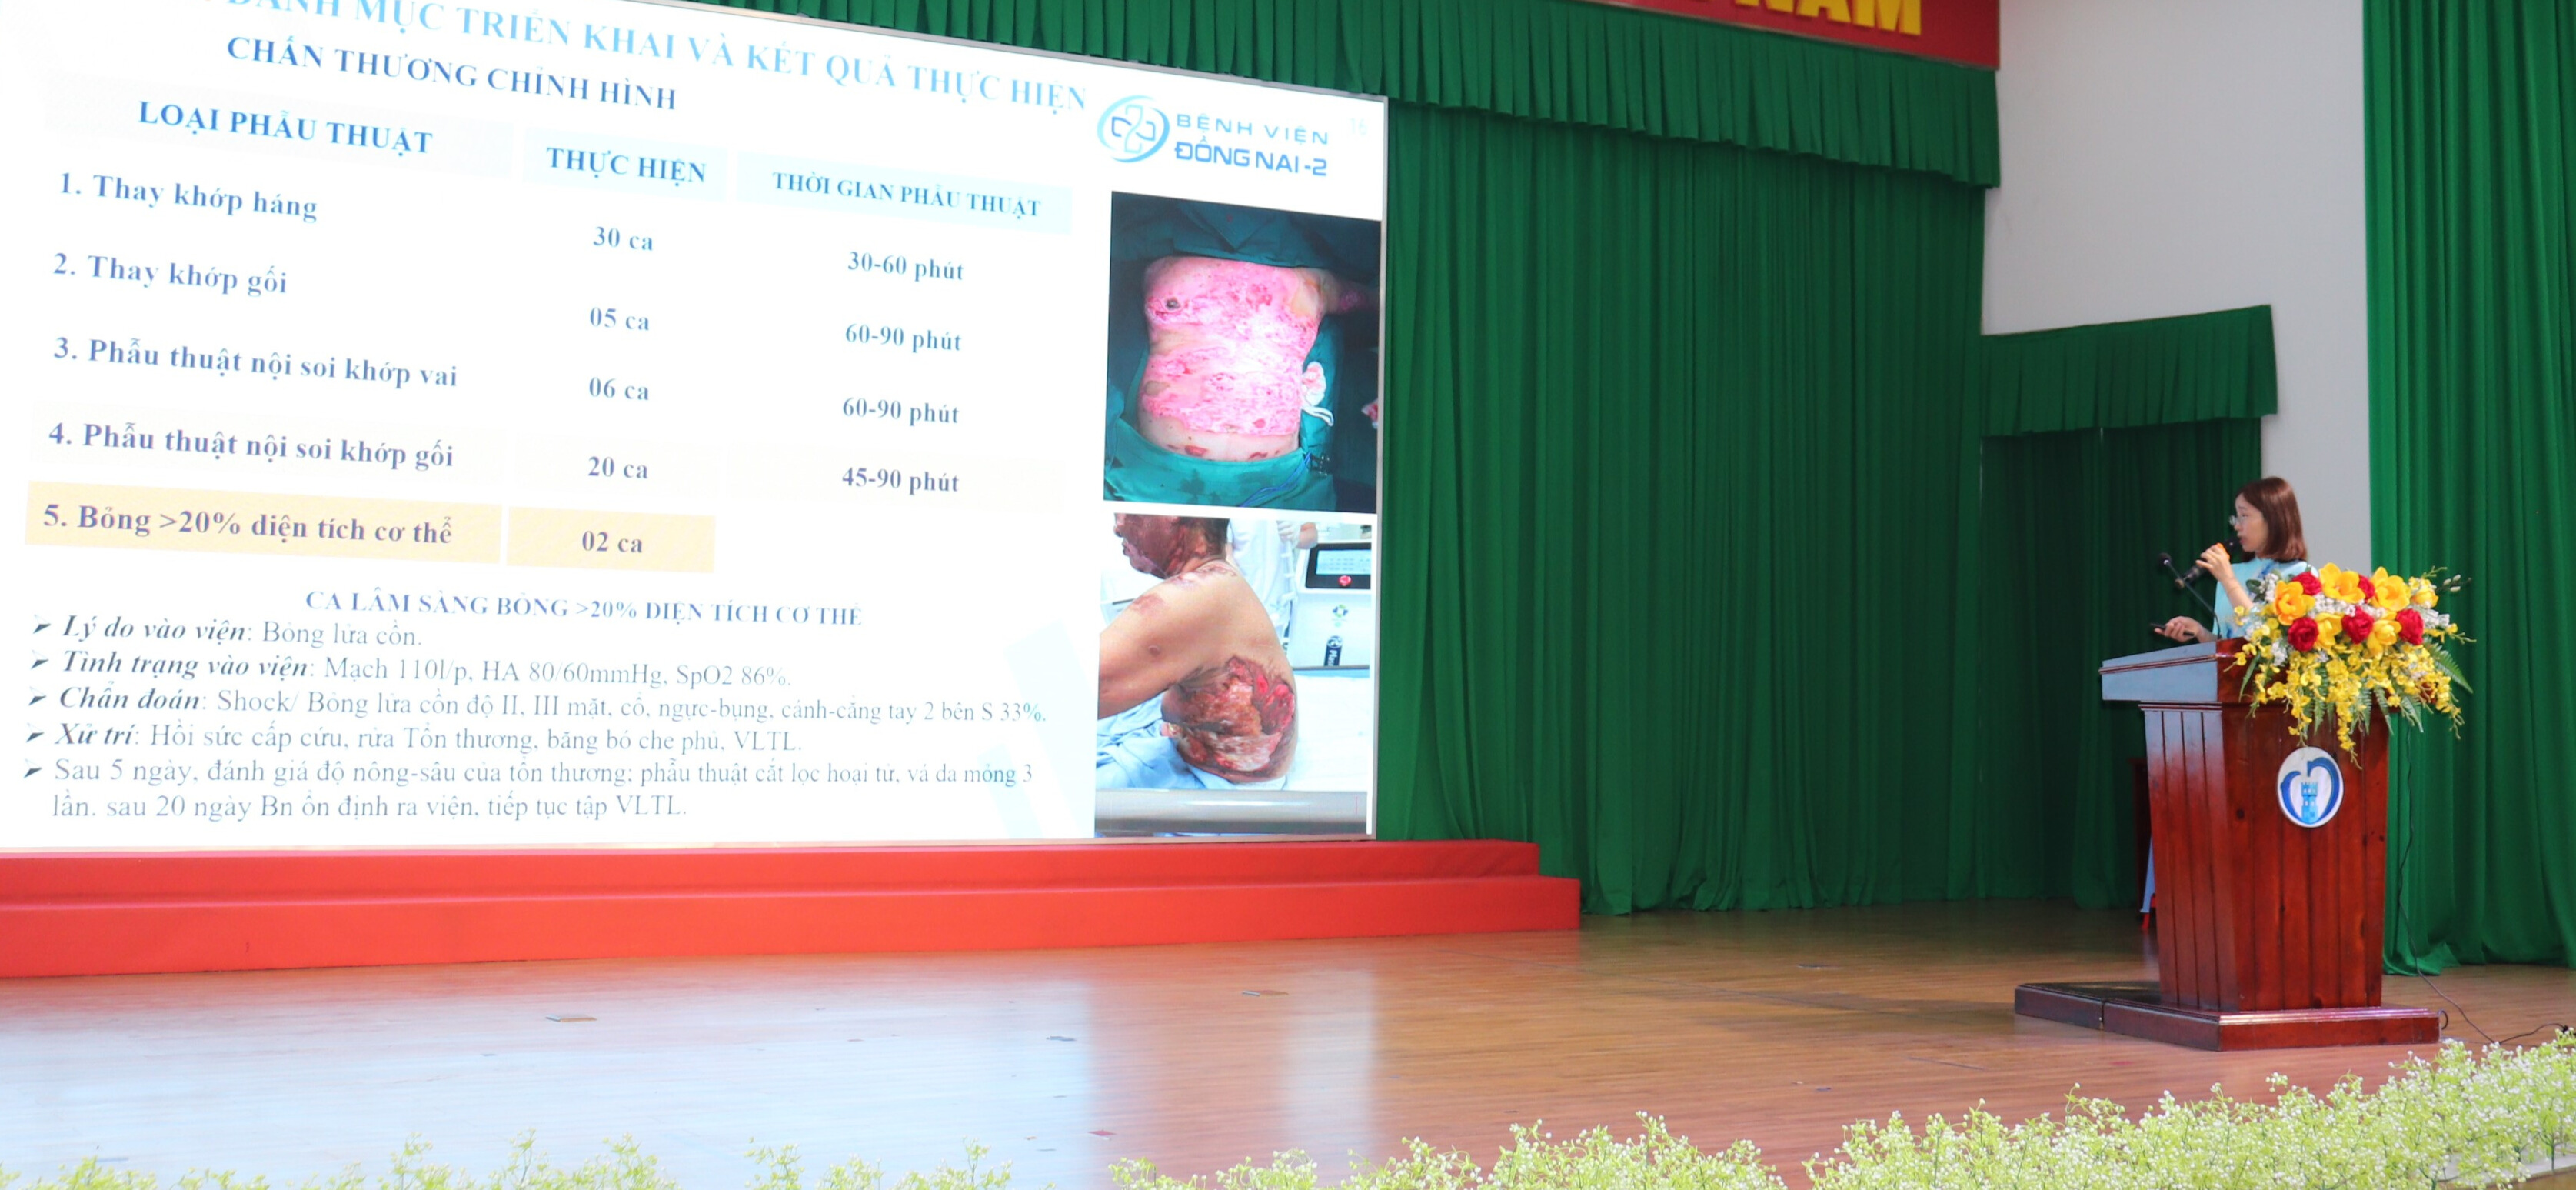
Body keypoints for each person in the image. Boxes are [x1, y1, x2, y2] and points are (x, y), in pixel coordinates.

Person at [1095, 515, 1299, 788]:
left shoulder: (1190, 598)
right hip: (1207, 756)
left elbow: (1067, 696)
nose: (1117, 527)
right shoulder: (1221, 576)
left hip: (1225, 785)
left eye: (1127, 513)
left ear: (1173, 516)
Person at [2156, 477, 2315, 644]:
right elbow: (2225, 645)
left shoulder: (2302, 574)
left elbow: (2267, 640)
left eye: (2244, 516)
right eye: (2236, 517)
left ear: (2273, 518)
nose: (2237, 526)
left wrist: (2229, 581)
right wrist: (2199, 632)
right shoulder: (2233, 572)